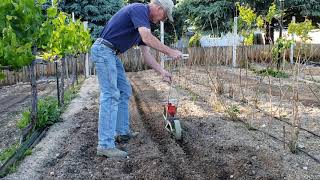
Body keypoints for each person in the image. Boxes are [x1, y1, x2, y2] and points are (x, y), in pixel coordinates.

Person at [90, 0, 183, 158]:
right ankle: (105, 145)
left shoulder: (142, 23)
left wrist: (162, 71)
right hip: (103, 50)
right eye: (164, 16)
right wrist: (170, 51)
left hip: (111, 54)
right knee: (111, 94)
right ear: (159, 8)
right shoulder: (139, 9)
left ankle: (122, 132)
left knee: (124, 90)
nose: (162, 20)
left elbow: (146, 56)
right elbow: (147, 38)